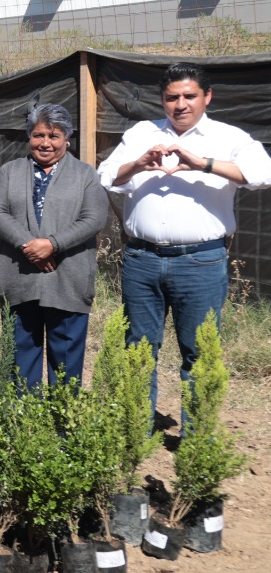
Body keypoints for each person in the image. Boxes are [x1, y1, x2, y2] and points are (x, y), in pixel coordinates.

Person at [97, 62, 271, 418]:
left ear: (207, 97)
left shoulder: (229, 138)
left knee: (200, 351)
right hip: (142, 259)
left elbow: (262, 174)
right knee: (139, 348)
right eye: (172, 97)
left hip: (201, 262)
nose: (181, 104)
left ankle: (196, 438)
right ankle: (136, 428)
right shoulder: (143, 133)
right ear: (162, 100)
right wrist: (139, 164)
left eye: (189, 96)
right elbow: (106, 176)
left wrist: (203, 164)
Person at [0, 104, 107, 389]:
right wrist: (30, 246)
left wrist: (53, 244)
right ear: (29, 136)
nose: (46, 143)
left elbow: (93, 218)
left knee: (65, 364)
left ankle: (61, 428)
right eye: (39, 135)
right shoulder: (9, 172)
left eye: (54, 136)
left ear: (67, 138)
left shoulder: (85, 175)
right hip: (20, 279)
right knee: (21, 359)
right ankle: (25, 426)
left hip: (67, 279)